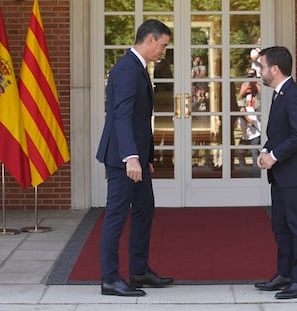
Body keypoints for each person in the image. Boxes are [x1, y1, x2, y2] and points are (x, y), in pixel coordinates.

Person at [96, 19, 174, 297]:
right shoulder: (127, 69)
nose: (164, 51)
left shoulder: (138, 68)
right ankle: (109, 279)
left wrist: (146, 156)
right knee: (116, 215)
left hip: (137, 157)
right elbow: (122, 116)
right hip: (122, 158)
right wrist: (130, 157)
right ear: (149, 40)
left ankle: (139, 270)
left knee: (144, 210)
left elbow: (142, 119)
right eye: (163, 45)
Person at [254, 46, 297, 299]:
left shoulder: (293, 95)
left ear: (274, 69)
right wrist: (265, 150)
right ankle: (284, 275)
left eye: (261, 66)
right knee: (281, 227)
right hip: (283, 175)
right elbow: (278, 133)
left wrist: (273, 156)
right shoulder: (279, 94)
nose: (259, 72)